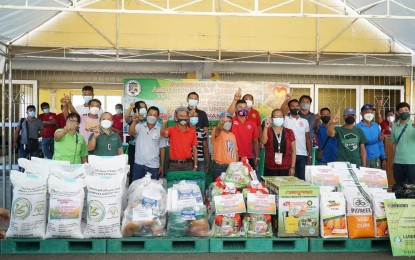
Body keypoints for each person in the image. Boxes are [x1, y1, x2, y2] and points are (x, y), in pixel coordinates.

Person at [129, 106, 166, 180]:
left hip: (153, 166)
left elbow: (162, 149)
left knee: (153, 190)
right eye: (150, 114)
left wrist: (162, 166)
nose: (152, 117)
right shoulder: (139, 126)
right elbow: (131, 133)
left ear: (158, 117)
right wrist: (134, 121)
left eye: (154, 115)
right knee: (137, 189)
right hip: (138, 165)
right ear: (146, 115)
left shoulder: (160, 131)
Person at [281, 96, 311, 180]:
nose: (295, 107)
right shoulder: (286, 119)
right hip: (288, 154)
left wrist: (310, 155)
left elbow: (307, 138)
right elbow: (281, 111)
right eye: (292, 106)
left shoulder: (305, 122)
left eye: (297, 106)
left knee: (302, 179)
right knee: (290, 179)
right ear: (289, 108)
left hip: (302, 154)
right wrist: (286, 100)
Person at [260, 109, 296, 176]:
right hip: (270, 167)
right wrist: (265, 127)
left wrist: (292, 167)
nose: (278, 118)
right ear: (272, 119)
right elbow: (263, 142)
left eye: (280, 116)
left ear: (284, 118)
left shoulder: (289, 132)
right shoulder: (268, 131)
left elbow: (293, 150)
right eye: (275, 117)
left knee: (284, 186)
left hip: (286, 166)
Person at [161, 106, 198, 171]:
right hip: (174, 165)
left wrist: (195, 166)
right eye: (181, 116)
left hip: (188, 164)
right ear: (176, 117)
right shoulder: (171, 130)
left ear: (188, 117)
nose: (183, 118)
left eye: (185, 116)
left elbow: (195, 150)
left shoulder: (192, 132)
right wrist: (164, 123)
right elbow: (163, 134)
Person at [230, 100, 260, 169]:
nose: (243, 109)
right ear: (235, 109)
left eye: (245, 107)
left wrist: (257, 157)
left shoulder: (252, 123)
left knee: (249, 179)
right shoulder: (231, 121)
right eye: (240, 107)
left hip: (249, 157)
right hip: (234, 157)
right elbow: (227, 114)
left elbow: (255, 141)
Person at [356, 104, 387, 169]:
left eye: (372, 112)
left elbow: (380, 143)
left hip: (376, 159)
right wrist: (378, 139)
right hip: (363, 159)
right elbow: (360, 144)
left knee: (376, 178)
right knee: (364, 179)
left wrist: (383, 158)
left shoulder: (375, 126)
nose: (370, 114)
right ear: (361, 113)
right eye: (367, 112)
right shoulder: (357, 127)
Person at [391, 102, 415, 185]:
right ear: (397, 113)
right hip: (398, 162)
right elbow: (394, 144)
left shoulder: (413, 124)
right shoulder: (394, 126)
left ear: (409, 111)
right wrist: (392, 161)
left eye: (406, 110)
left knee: (411, 190)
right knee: (399, 188)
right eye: (401, 110)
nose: (404, 112)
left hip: (412, 162)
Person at [124, 101, 147, 183]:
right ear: (136, 109)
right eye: (141, 107)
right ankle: (132, 187)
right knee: (133, 167)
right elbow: (126, 118)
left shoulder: (148, 120)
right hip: (133, 147)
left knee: (144, 168)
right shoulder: (133, 119)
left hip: (144, 147)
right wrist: (130, 108)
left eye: (145, 107)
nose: (143, 109)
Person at [211, 112, 238, 181]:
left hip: (232, 167)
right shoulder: (216, 132)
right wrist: (221, 124)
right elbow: (218, 129)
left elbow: (236, 151)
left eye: (229, 121)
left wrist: (236, 166)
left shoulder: (232, 135)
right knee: (218, 189)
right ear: (220, 121)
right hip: (220, 167)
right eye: (225, 121)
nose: (228, 123)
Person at [189, 109, 210, 173]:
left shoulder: (202, 131)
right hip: (188, 162)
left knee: (201, 180)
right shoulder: (185, 131)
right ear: (188, 117)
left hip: (200, 161)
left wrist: (208, 162)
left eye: (196, 116)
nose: (194, 117)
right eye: (192, 116)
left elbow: (205, 147)